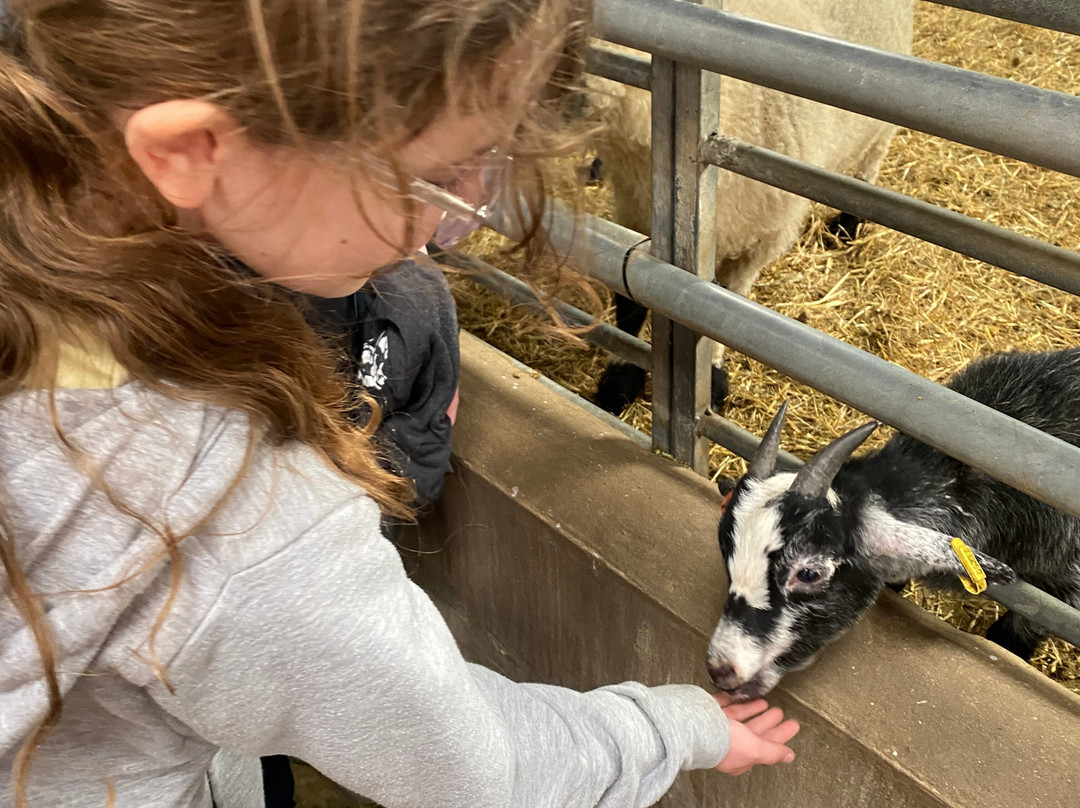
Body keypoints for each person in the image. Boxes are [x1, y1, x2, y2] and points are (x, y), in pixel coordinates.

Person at [0, 2, 800, 808]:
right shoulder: (224, 513)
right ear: (188, 150)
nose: (446, 230)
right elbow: (477, 768)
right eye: (440, 176)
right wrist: (676, 728)